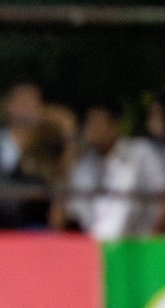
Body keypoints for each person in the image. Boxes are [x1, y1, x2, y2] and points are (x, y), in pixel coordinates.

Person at [67, 101, 165, 240]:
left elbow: (162, 197)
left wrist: (149, 239)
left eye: (99, 123)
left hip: (142, 243)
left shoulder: (139, 153)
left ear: (113, 125)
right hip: (98, 246)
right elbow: (75, 214)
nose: (94, 128)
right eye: (90, 123)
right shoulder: (83, 165)